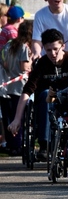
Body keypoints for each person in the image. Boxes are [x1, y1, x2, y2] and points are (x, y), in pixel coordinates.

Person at [7, 28, 68, 160]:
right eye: (48, 50)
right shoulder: (42, 63)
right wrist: (17, 118)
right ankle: (44, 145)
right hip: (46, 102)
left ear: (63, 46)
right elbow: (27, 91)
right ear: (43, 49)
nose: (52, 53)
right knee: (47, 94)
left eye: (56, 49)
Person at [0, 20, 33, 156]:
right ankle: (18, 145)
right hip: (20, 87)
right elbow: (24, 67)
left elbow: (5, 64)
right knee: (19, 117)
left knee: (9, 116)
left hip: (6, 86)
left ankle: (11, 145)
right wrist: (31, 63)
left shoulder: (9, 45)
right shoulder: (25, 47)